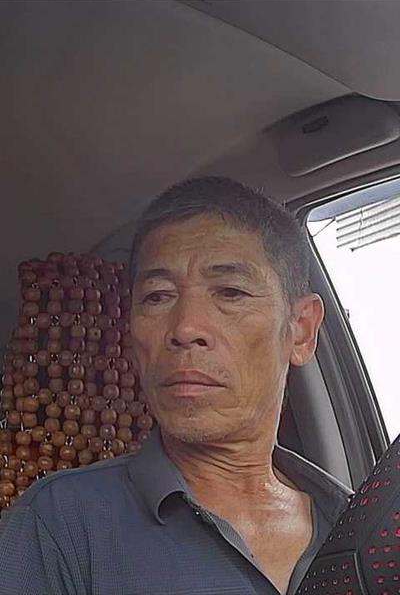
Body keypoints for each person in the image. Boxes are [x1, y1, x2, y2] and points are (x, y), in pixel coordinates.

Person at [0, 176, 352, 595]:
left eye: (230, 292)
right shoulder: (60, 526)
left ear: (301, 330)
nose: (185, 328)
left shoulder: (357, 523)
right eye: (157, 296)